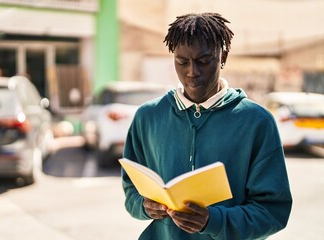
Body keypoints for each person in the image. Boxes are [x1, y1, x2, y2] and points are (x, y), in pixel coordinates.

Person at [121, 12, 292, 239]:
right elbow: (131, 189)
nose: (192, 72)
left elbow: (273, 211)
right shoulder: (148, 116)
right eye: (182, 62)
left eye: (203, 61)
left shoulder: (256, 122)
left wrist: (214, 220)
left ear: (223, 56)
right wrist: (143, 206)